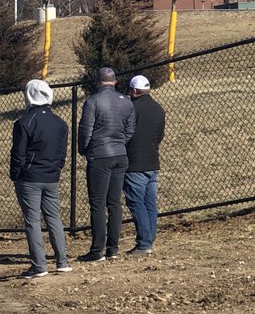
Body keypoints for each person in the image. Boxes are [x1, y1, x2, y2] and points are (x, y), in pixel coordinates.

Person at [9, 79, 72, 279]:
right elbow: (62, 152)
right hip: (52, 176)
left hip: (30, 178)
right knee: (54, 218)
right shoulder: (60, 122)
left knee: (32, 221)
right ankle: (62, 261)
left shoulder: (24, 122)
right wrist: (56, 168)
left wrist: (15, 174)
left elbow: (18, 154)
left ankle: (39, 265)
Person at [77, 67, 135, 262]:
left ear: (97, 82)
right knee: (114, 203)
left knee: (98, 203)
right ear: (115, 82)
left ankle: (97, 250)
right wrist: (120, 143)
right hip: (120, 154)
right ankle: (113, 248)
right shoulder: (126, 101)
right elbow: (130, 129)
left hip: (100, 155)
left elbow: (86, 129)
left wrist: (84, 149)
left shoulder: (93, 101)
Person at [123, 74, 165, 256]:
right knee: (149, 203)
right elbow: (160, 135)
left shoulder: (131, 109)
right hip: (152, 161)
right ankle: (149, 239)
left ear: (133, 90)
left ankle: (144, 243)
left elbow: (126, 134)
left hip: (135, 163)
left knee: (136, 202)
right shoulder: (158, 108)